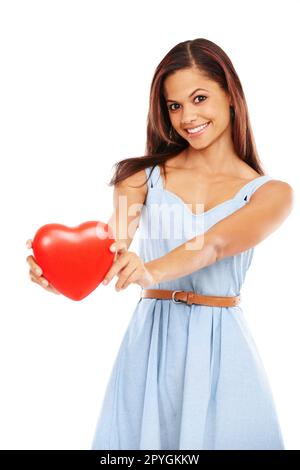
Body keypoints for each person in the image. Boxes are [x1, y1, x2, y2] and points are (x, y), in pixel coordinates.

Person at [26, 38, 294, 450]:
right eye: (174, 106)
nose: (188, 117)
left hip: (221, 349)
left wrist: (152, 269)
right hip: (151, 346)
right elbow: (109, 248)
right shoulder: (142, 176)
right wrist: (59, 274)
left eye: (199, 98)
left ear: (231, 96)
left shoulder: (271, 193)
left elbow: (216, 244)